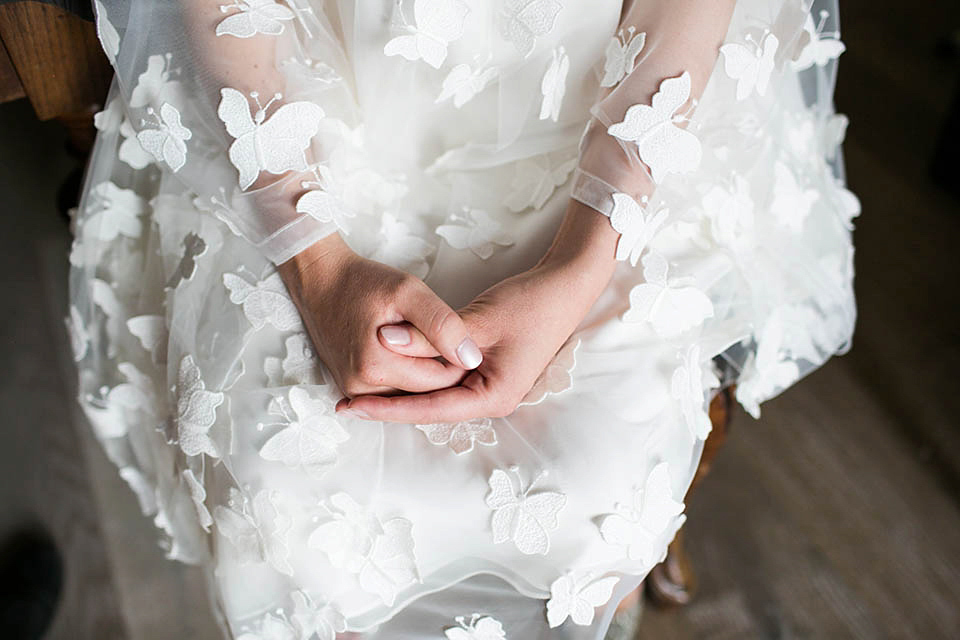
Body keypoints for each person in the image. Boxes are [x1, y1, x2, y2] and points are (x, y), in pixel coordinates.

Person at [68, 0, 856, 637]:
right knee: (298, 509)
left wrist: (584, 259)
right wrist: (314, 257)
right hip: (312, 133)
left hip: (603, 142)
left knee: (599, 496)